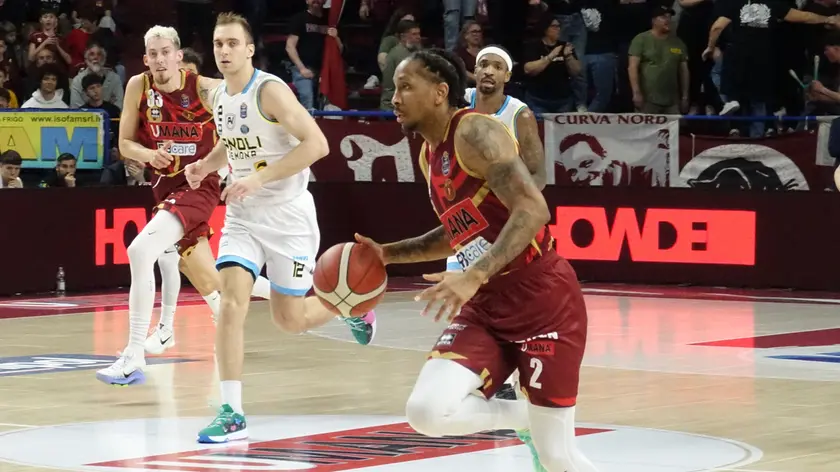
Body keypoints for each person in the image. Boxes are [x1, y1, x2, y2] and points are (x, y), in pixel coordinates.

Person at [355, 49, 598, 472]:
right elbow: (458, 231)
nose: (394, 97)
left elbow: (533, 209)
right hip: (487, 307)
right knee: (426, 412)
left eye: (406, 86)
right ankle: (523, 418)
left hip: (544, 304)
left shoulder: (475, 132)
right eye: (395, 88)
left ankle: (537, 423)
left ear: (439, 92)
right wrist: (388, 254)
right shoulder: (429, 155)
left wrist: (475, 273)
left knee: (559, 459)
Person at [184, 13, 377, 444]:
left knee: (289, 320)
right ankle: (231, 411)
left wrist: (259, 177)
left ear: (250, 49)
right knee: (231, 301)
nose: (225, 51)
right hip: (243, 217)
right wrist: (205, 165)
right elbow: (230, 141)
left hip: (288, 216)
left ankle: (349, 304)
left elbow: (317, 145)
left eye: (233, 43)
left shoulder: (269, 90)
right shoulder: (219, 96)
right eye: (218, 44)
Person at [94, 25, 275, 385]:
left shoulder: (206, 89)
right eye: (153, 54)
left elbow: (242, 117)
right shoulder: (138, 86)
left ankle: (134, 354)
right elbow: (126, 144)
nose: (160, 59)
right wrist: (149, 154)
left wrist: (232, 170)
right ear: (146, 59)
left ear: (179, 56)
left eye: (166, 52)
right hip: (163, 188)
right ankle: (315, 293)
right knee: (217, 280)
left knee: (141, 250)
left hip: (199, 185)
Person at [448, 45, 546, 402]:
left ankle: (510, 373)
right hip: (466, 223)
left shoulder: (519, 114)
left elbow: (540, 172)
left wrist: (517, 209)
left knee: (508, 301)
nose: (488, 71)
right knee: (463, 295)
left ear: (507, 76)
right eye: (482, 65)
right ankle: (480, 370)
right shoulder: (460, 105)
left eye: (496, 66)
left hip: (503, 221)